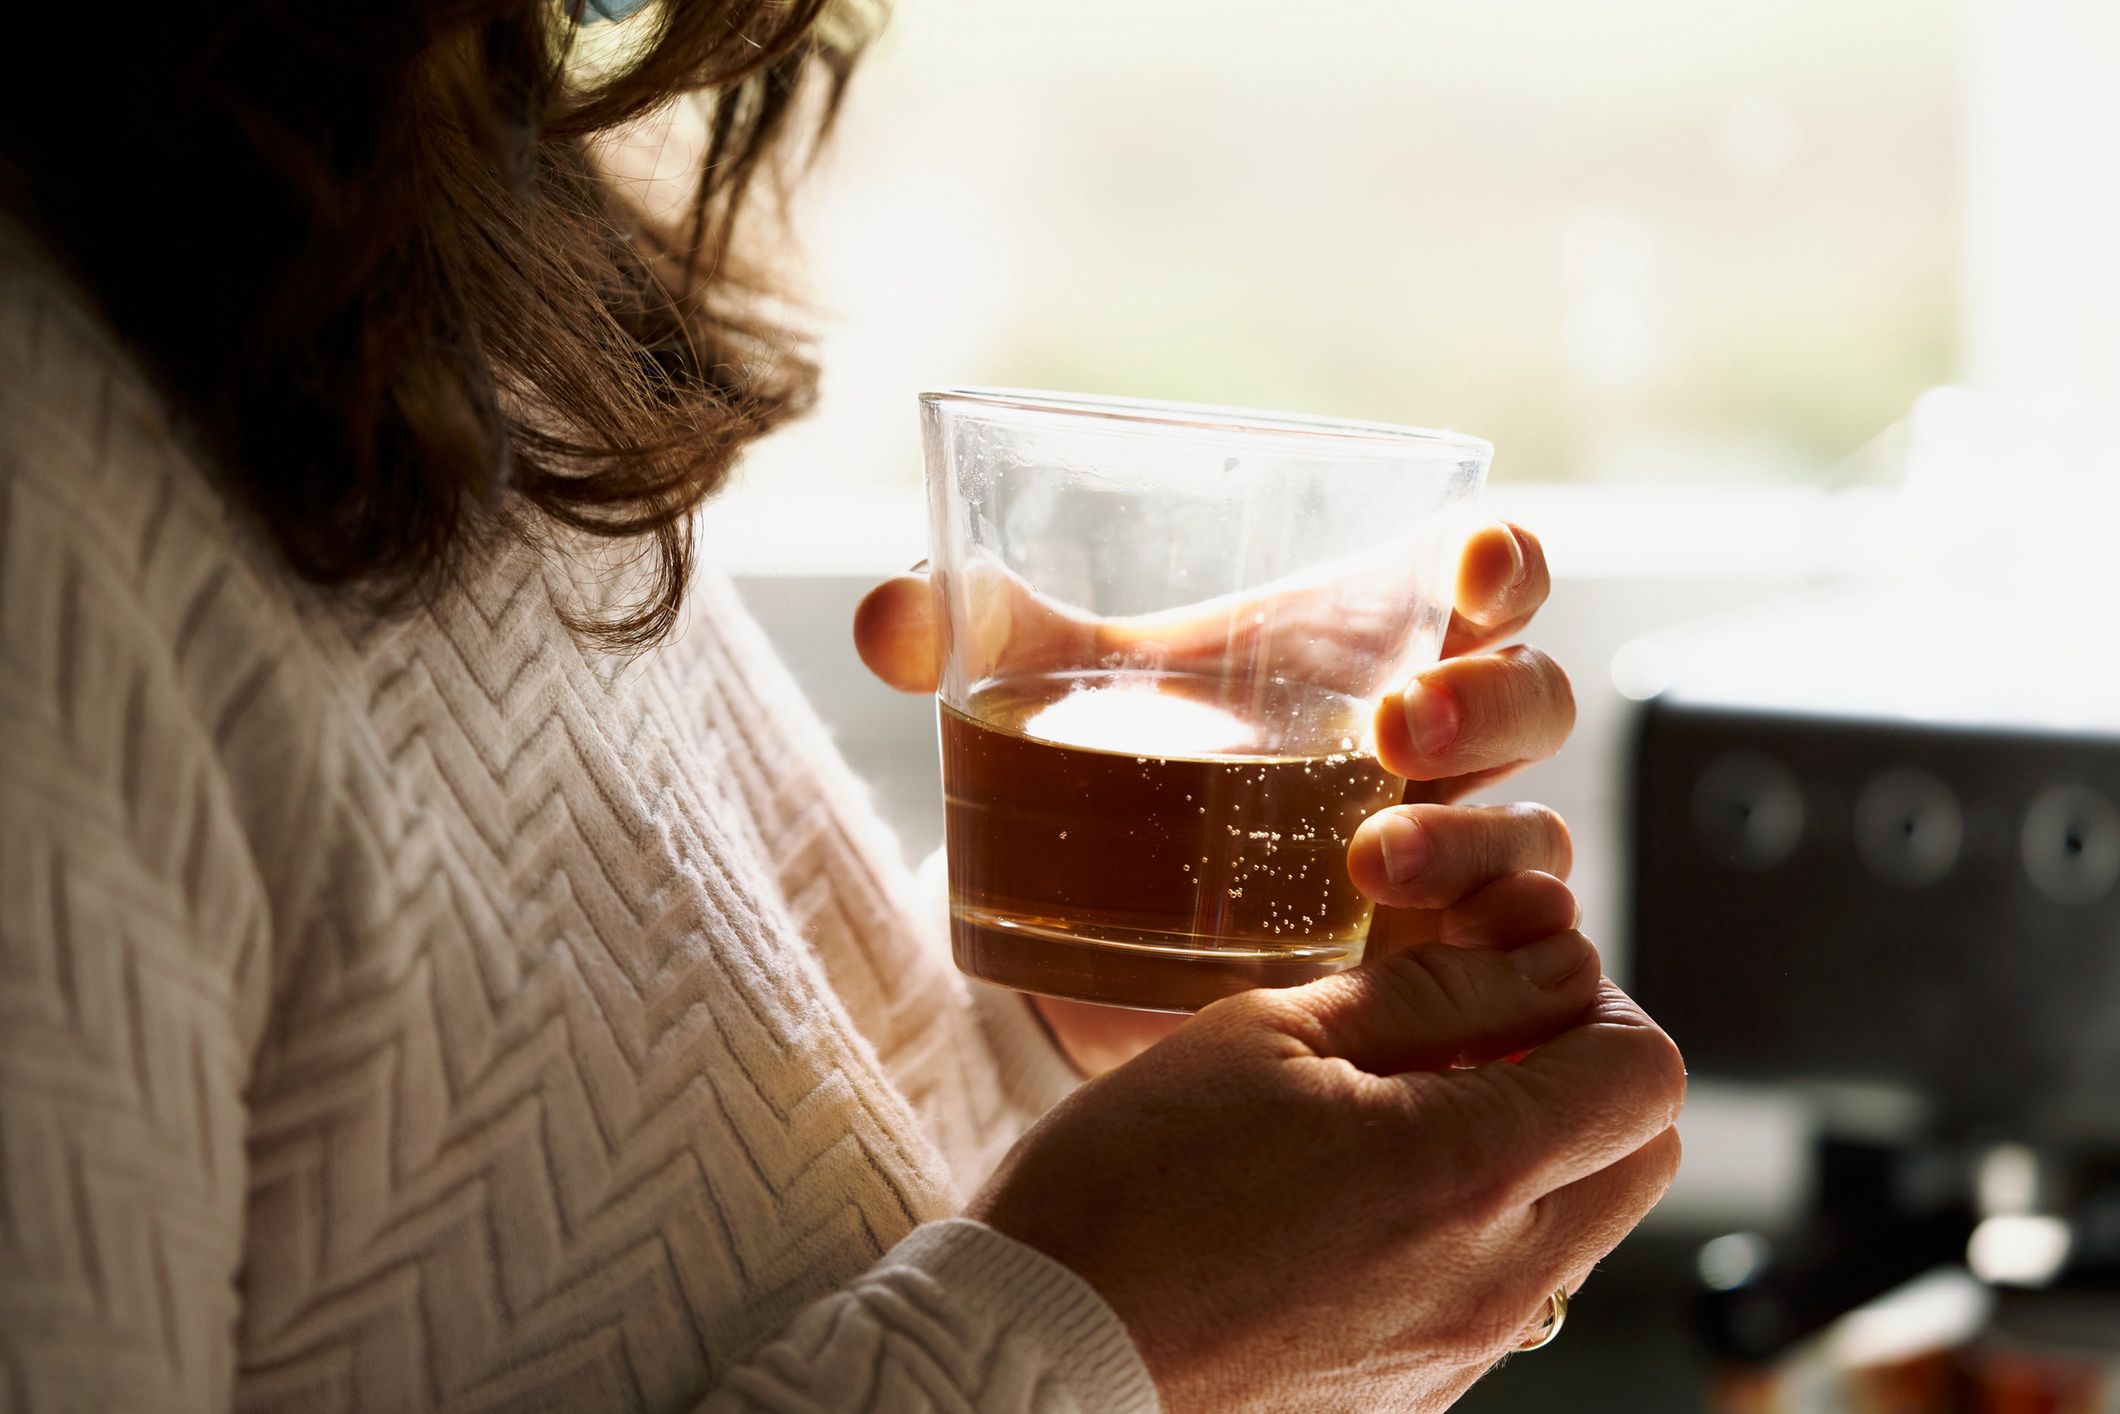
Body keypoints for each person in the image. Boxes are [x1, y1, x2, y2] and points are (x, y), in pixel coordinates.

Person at [0, 1, 1683, 1410]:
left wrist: (1076, 1047)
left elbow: (585, 1232)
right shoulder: (47, 484)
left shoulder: (394, 215)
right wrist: (1113, 1339)